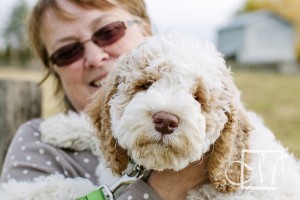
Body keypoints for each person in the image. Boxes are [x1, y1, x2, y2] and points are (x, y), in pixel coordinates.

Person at [0, 0, 208, 199]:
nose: (94, 57)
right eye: (67, 52)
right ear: (55, 71)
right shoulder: (40, 142)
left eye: (109, 32)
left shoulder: (217, 119)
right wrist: (165, 187)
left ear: (145, 30)